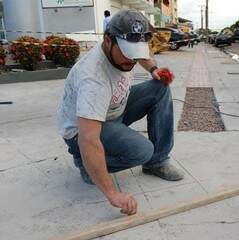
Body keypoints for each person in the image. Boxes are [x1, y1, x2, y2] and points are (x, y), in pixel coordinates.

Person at [57, 10, 184, 216]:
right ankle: (87, 165)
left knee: (160, 88)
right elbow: (88, 139)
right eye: (126, 52)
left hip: (114, 109)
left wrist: (153, 70)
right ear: (107, 41)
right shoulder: (93, 78)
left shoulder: (126, 51)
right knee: (142, 151)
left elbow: (141, 55)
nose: (131, 60)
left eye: (135, 52)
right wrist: (113, 194)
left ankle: (157, 162)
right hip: (83, 133)